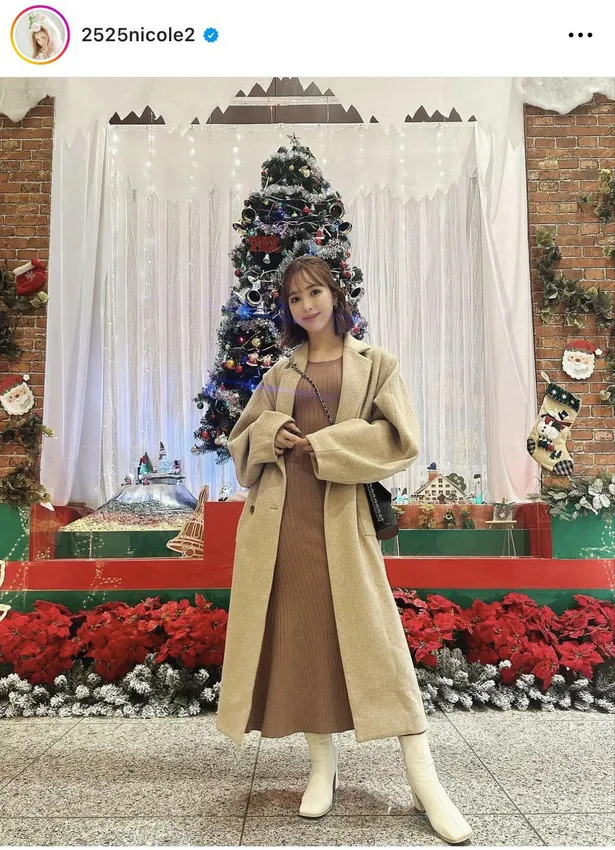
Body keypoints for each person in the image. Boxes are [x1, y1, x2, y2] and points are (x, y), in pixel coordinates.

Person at [217, 256, 472, 844]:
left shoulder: (376, 363)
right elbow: (242, 443)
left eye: (315, 292)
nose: (307, 305)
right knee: (306, 641)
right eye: (295, 298)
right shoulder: (281, 370)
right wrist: (270, 434)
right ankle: (321, 768)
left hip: (342, 519)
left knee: (379, 645)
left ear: (335, 295)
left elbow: (400, 440)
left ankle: (425, 782)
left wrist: (326, 446)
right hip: (282, 525)